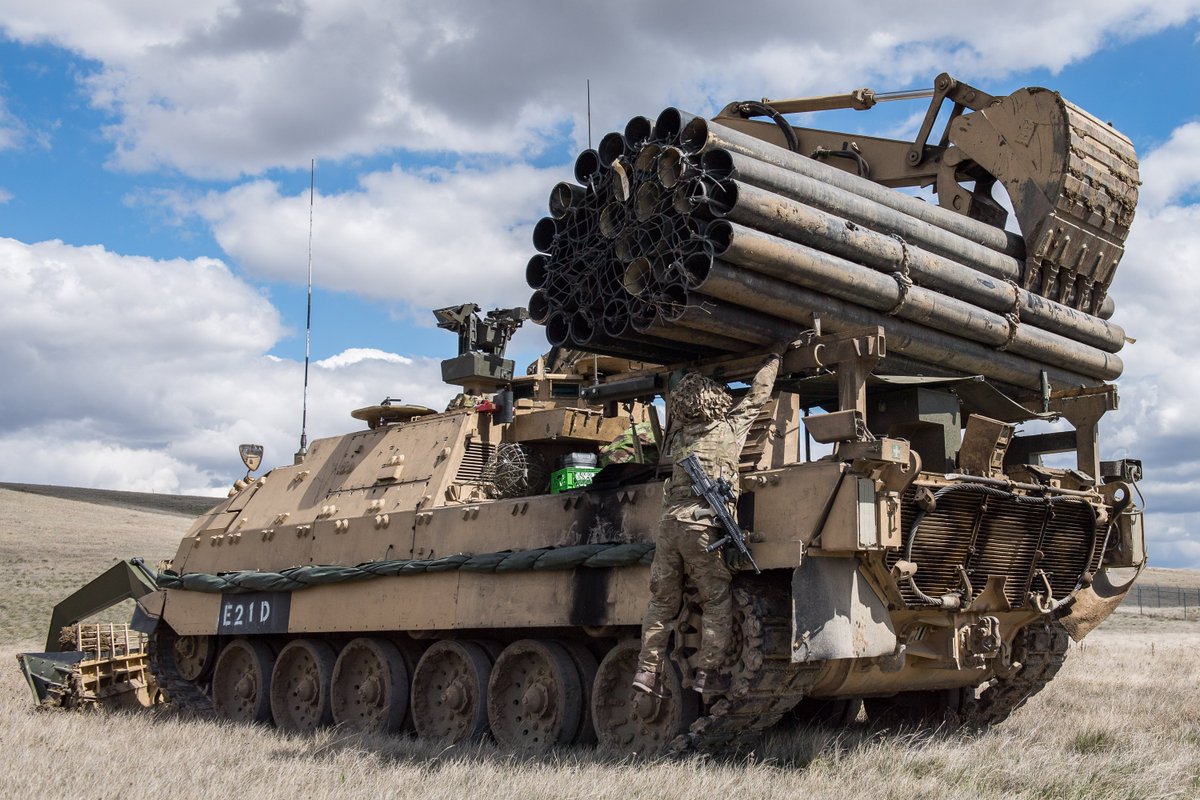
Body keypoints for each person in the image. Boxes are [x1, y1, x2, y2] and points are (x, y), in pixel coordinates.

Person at [633, 349, 783, 697]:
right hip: (702, 526)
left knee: (661, 603)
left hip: (669, 526)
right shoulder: (729, 428)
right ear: (716, 401)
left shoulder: (680, 437)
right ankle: (707, 672)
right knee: (715, 600)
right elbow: (758, 395)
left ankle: (647, 670)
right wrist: (774, 359)